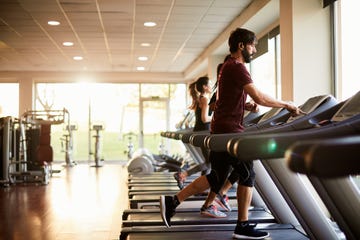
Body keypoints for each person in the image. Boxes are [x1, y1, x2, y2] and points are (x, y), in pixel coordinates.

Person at [160, 27, 304, 239]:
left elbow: (223, 101)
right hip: (230, 132)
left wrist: (245, 106)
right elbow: (261, 97)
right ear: (241, 46)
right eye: (252, 45)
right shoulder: (237, 67)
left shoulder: (227, 67)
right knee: (248, 174)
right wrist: (287, 105)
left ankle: (173, 201)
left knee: (217, 178)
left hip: (222, 129)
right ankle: (242, 225)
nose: (254, 50)